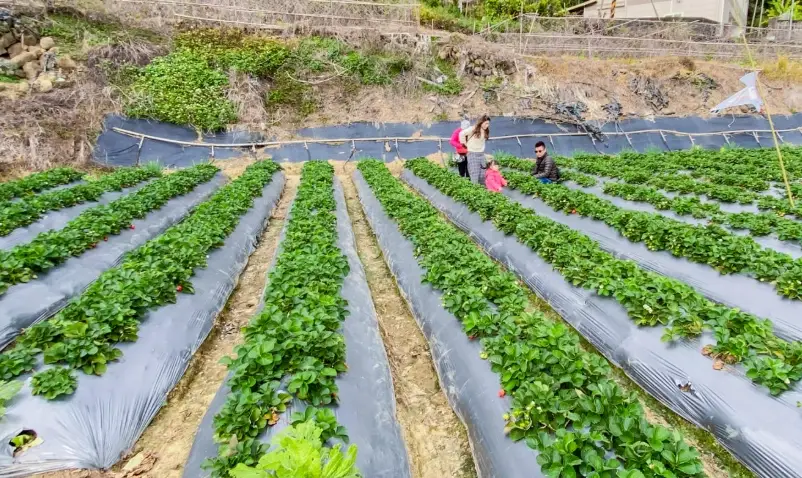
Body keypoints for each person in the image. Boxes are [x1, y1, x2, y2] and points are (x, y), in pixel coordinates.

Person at [459, 115, 491, 185]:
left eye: (488, 123)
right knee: (474, 175)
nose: (487, 125)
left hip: (481, 154)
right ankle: (475, 190)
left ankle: (482, 190)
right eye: (486, 123)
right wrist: (464, 144)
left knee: (482, 175)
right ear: (481, 122)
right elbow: (461, 133)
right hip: (472, 154)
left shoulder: (485, 130)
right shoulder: (473, 128)